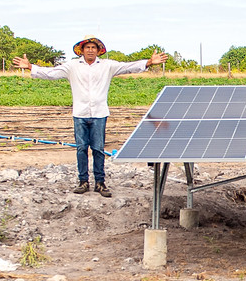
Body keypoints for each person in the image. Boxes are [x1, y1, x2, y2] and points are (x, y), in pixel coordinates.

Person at [14, 38, 167, 194]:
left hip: (99, 114)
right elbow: (51, 73)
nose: (90, 50)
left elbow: (127, 67)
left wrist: (148, 62)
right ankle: (83, 182)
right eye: (87, 47)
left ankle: (100, 182)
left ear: (98, 50)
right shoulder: (72, 66)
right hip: (80, 114)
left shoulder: (107, 66)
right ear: (82, 50)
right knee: (81, 149)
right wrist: (30, 67)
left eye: (94, 47)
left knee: (98, 149)